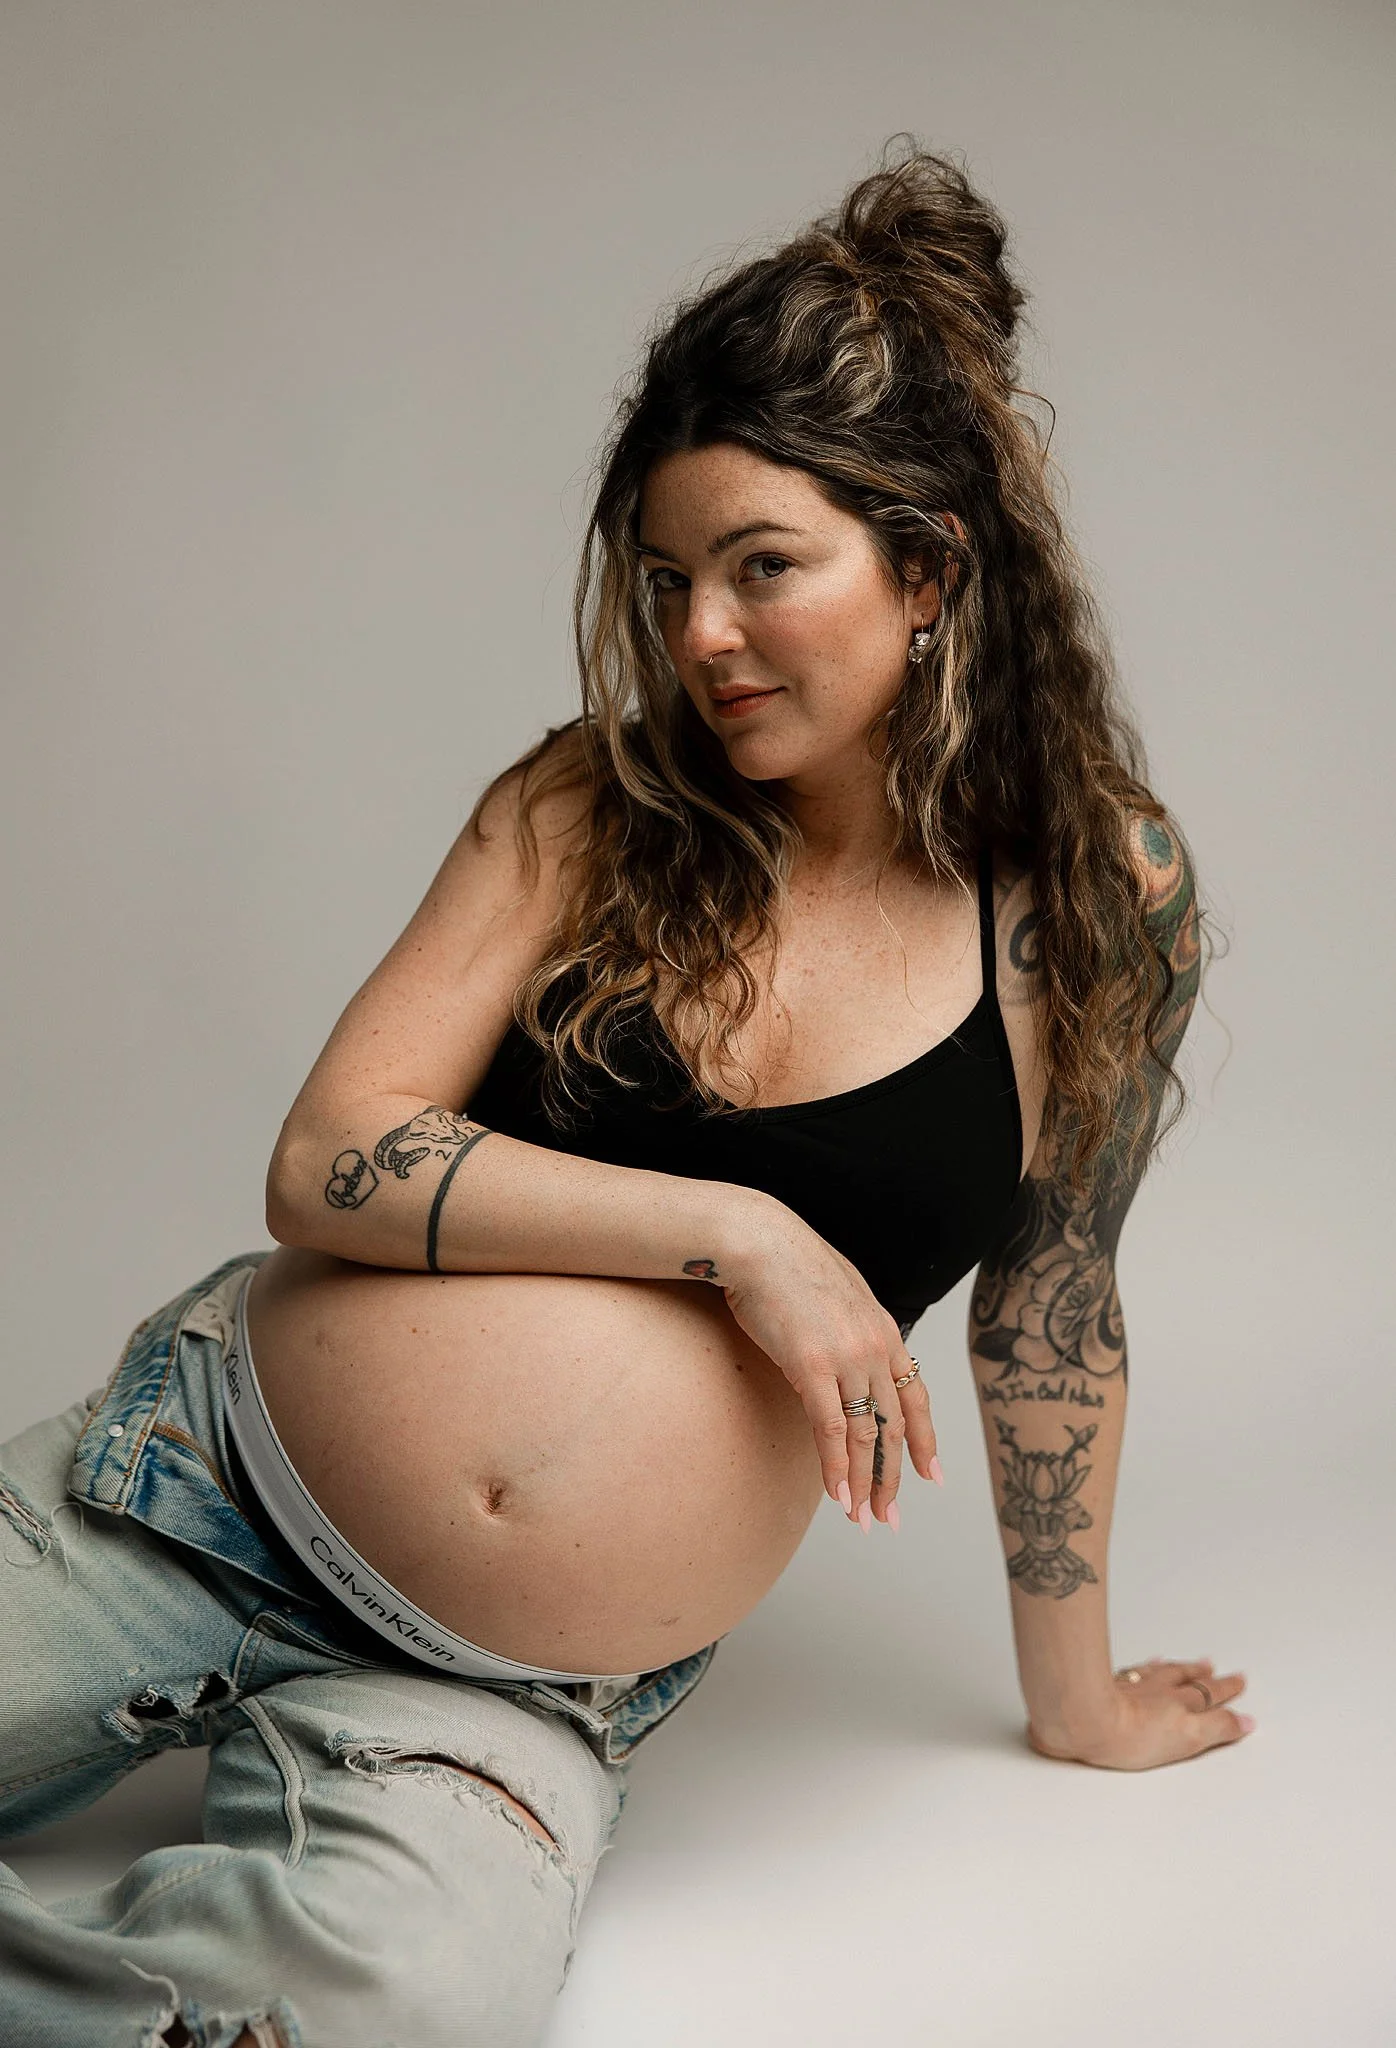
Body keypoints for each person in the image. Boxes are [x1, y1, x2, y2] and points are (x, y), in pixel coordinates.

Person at [0, 138, 1252, 2048]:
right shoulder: (586, 805)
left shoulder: (1096, 899)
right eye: (667, 578)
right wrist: (732, 1233)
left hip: (501, 1698)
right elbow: (329, 1157)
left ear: (926, 569)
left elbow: (1054, 1304)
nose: (700, 641)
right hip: (197, 1493)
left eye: (764, 569)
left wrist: (1072, 1703)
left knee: (379, 2023)